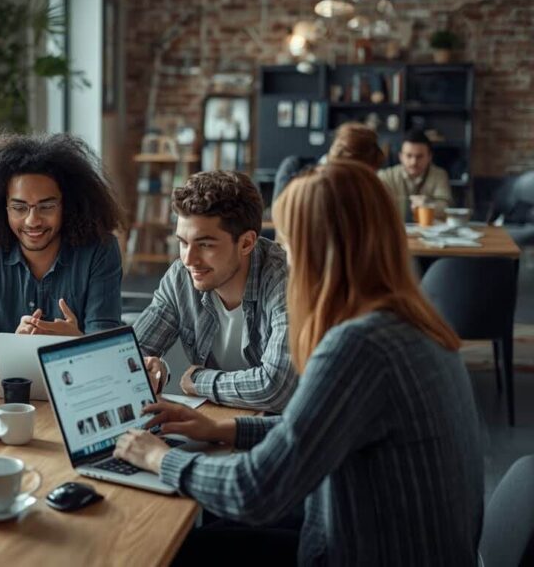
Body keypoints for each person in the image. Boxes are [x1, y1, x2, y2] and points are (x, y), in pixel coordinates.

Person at [114, 160, 483, 565]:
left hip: (359, 550)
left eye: (289, 244)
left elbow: (256, 491)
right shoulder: (407, 322)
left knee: (175, 550)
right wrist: (227, 428)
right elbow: (317, 431)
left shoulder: (359, 346)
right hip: (381, 535)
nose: (283, 258)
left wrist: (157, 457)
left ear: (320, 252)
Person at [133, 171, 296, 412]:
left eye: (205, 245)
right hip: (218, 422)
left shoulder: (285, 282)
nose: (189, 259)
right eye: (183, 242)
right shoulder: (181, 276)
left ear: (246, 243)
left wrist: (199, 380)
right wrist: (156, 369)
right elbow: (130, 356)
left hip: (280, 432)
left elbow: (276, 389)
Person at [0, 131, 126, 338]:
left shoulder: (100, 249)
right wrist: (13, 344)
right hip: (10, 371)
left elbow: (105, 341)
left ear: (68, 205)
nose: (32, 221)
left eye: (46, 207)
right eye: (19, 208)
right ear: (3, 208)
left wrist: (77, 340)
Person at [378, 130, 453, 220]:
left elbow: (446, 208)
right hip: (395, 230)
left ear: (429, 157)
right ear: (401, 156)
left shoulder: (439, 175)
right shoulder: (386, 176)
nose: (414, 162)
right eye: (409, 156)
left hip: (429, 231)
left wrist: (428, 205)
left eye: (419, 156)